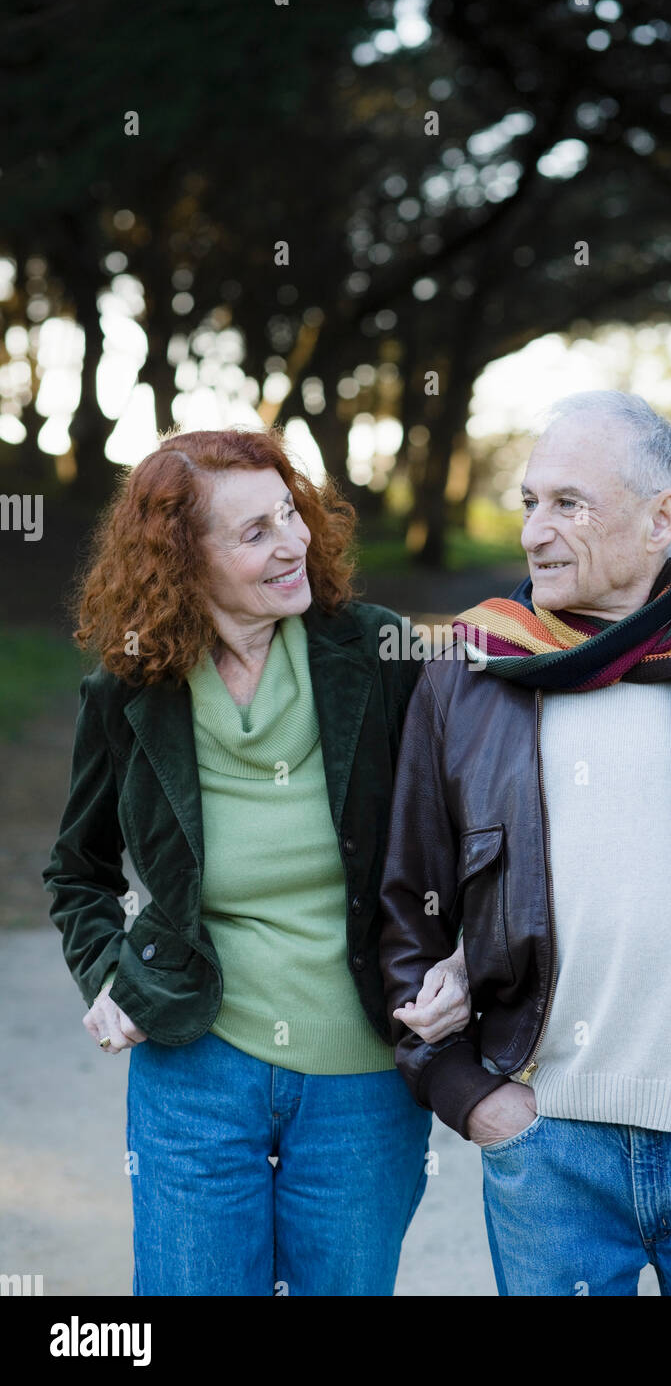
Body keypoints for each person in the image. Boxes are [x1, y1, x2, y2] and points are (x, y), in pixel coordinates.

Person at [379, 390, 671, 1297]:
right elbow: (408, 901)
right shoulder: (468, 672)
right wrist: (467, 1096)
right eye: (529, 503)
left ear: (660, 518)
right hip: (545, 1146)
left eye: (569, 503)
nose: (534, 533)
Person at [43, 427, 465, 1297]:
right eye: (254, 532)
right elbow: (77, 868)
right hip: (194, 1067)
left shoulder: (380, 655)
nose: (293, 542)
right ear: (179, 561)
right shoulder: (128, 689)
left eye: (290, 513)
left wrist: (463, 958)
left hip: (364, 1073)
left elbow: (472, 835)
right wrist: (108, 974)